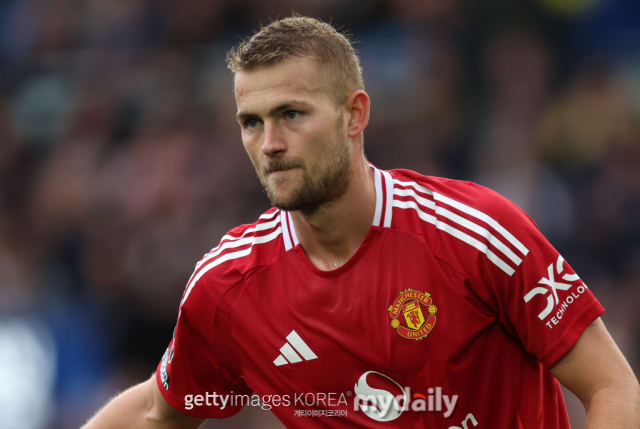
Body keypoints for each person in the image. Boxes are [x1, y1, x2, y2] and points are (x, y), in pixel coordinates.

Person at [83, 15, 640, 429]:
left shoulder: (477, 232)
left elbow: (613, 388)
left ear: (355, 114)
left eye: (291, 114)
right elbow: (157, 412)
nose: (270, 143)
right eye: (251, 122)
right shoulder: (228, 288)